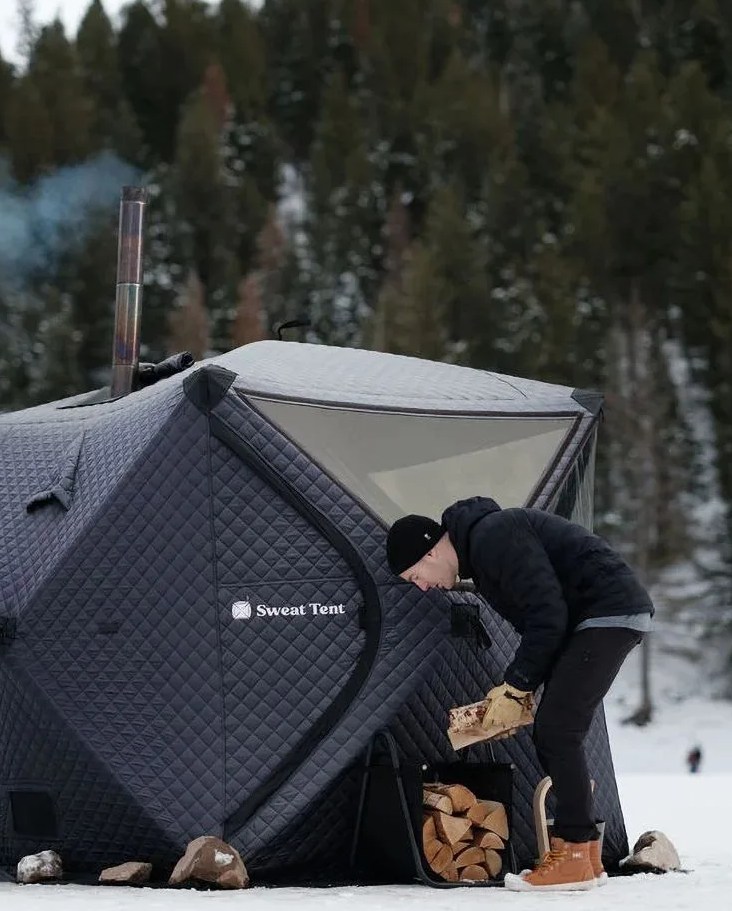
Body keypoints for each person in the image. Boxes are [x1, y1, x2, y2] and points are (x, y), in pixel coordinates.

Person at [386, 496, 653, 892]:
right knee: (554, 729)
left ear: (430, 550)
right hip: (593, 618)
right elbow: (540, 629)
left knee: (558, 732)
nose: (423, 587)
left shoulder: (493, 537)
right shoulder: (483, 555)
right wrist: (518, 698)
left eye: (416, 576)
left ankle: (576, 851)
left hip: (605, 612)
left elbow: (548, 617)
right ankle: (586, 855)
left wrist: (516, 687)